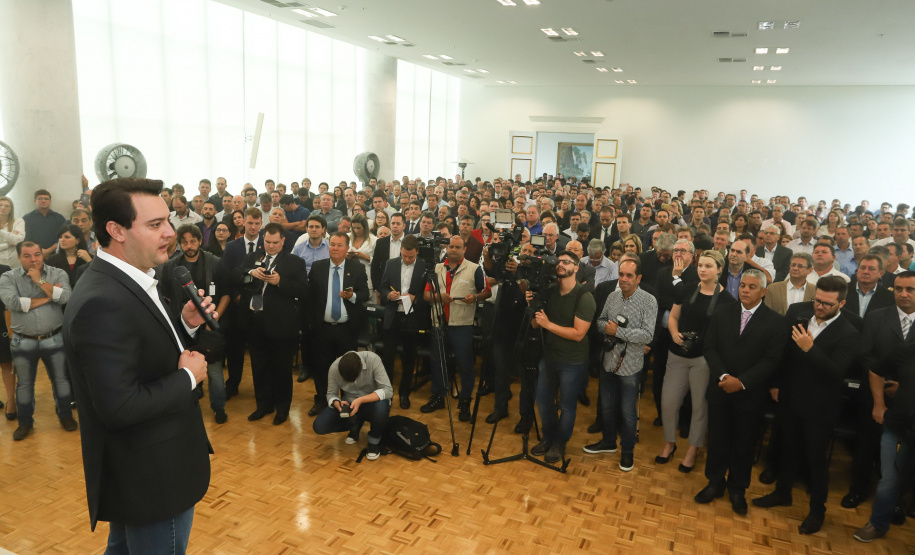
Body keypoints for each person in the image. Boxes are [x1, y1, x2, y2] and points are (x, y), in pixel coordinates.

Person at [62, 178, 215, 550]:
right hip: (151, 477)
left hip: (145, 470)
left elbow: (139, 351)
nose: (170, 233)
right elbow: (120, 406)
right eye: (154, 225)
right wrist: (187, 378)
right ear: (116, 230)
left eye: (167, 221)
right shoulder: (103, 300)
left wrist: (184, 325)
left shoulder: (128, 278)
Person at [753, 276, 861, 535]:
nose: (819, 306)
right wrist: (777, 383)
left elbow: (836, 371)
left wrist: (810, 348)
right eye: (817, 300)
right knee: (787, 450)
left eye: (827, 303)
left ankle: (817, 511)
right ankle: (782, 493)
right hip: (790, 398)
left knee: (815, 461)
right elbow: (784, 354)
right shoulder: (799, 315)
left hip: (820, 408)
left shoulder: (850, 333)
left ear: (842, 303)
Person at [695, 269, 787, 515]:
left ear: (764, 292)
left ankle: (738, 489)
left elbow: (771, 360)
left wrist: (742, 382)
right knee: (717, 440)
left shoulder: (776, 322)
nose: (745, 290)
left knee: (744, 444)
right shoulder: (723, 312)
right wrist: (724, 376)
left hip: (750, 394)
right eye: (743, 285)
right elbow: (710, 346)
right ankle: (715, 482)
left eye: (752, 287)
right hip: (721, 389)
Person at [656, 250, 735, 473]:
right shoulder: (688, 288)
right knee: (669, 403)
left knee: (700, 407)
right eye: (701, 265)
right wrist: (673, 334)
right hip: (677, 353)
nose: (702, 269)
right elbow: (673, 317)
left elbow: (724, 336)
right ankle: (669, 443)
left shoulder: (727, 301)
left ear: (719, 270)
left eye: (708, 266)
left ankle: (693, 449)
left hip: (704, 359)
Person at [853, 271, 915, 542]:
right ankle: (877, 521)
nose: (904, 294)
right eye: (899, 289)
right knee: (888, 471)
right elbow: (871, 361)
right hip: (892, 412)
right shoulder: (878, 317)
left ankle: (902, 504)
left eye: (911, 289)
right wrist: (882, 395)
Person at [585, 256, 656, 471]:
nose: (624, 279)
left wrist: (619, 332)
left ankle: (627, 452)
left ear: (639, 278)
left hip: (631, 366)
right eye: (621, 275)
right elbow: (599, 321)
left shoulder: (649, 300)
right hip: (608, 361)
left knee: (627, 412)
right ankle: (608, 442)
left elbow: (647, 335)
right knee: (606, 407)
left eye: (629, 276)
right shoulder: (612, 297)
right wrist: (606, 328)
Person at [0, 241, 74, 440]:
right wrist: (50, 296)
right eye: (27, 255)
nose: (33, 259)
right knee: (24, 385)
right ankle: (25, 423)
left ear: (43, 255)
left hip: (55, 338)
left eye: (37, 254)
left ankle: (65, 416)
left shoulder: (58, 273)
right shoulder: (8, 277)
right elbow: (14, 303)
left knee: (61, 381)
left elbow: (66, 297)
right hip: (23, 341)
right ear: (18, 257)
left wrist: (40, 281)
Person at [234, 223, 307, 425]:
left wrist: (280, 282)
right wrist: (250, 273)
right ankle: (263, 405)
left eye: (275, 242)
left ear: (283, 241)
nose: (271, 246)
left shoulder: (295, 262)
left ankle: (282, 409)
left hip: (281, 326)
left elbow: (303, 290)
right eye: (267, 241)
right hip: (255, 323)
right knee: (259, 367)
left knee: (281, 369)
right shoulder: (254, 257)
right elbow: (235, 275)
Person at [160, 225, 231, 424]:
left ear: (201, 241)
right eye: (184, 242)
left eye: (193, 241)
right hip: (182, 328)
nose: (189, 246)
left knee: (215, 372)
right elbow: (165, 297)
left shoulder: (216, 263)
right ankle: (185, 408)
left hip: (209, 327)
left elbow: (226, 294)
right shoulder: (171, 266)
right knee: (183, 369)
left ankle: (219, 408)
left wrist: (214, 318)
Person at [420, 236, 491, 421]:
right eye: (451, 246)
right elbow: (426, 295)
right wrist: (439, 297)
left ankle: (465, 401)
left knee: (465, 365)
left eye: (457, 247)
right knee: (438, 363)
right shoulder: (436, 268)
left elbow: (487, 291)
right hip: (439, 324)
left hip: (462, 325)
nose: (453, 249)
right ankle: (438, 396)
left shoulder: (475, 269)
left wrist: (475, 298)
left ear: (464, 249)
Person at [307, 232, 369, 417]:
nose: (335, 248)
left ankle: (347, 401)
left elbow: (365, 293)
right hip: (322, 328)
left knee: (347, 368)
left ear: (347, 248)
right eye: (332, 244)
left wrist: (353, 296)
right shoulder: (318, 267)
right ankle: (322, 400)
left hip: (346, 329)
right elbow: (309, 297)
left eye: (339, 245)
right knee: (321, 367)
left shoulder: (356, 268)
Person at [313, 351, 393, 461]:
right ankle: (355, 423)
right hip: (349, 405)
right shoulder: (334, 368)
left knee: (382, 408)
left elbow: (388, 390)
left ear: (361, 364)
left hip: (372, 403)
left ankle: (374, 441)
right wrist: (337, 404)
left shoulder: (373, 360)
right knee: (319, 426)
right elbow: (331, 394)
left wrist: (361, 400)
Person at [378, 235, 428, 409]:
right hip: (393, 316)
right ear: (400, 251)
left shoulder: (424, 266)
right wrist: (388, 295)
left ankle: (404, 393)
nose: (407, 259)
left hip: (412, 317)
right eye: (405, 256)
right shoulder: (391, 264)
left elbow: (428, 296)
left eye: (411, 257)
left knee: (409, 358)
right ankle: (388, 393)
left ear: (417, 253)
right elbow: (383, 287)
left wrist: (415, 298)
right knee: (388, 358)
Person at [45, 224, 92, 289]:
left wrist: (89, 261)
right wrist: (50, 286)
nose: (62, 240)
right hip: (61, 296)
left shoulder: (88, 257)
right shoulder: (52, 259)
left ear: (77, 240)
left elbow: (99, 278)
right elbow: (42, 279)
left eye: (67, 237)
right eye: (60, 237)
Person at [371, 212, 406, 298]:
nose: (395, 226)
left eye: (398, 224)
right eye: (393, 223)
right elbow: (375, 266)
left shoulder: (409, 242)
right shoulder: (381, 243)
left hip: (404, 286)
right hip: (384, 288)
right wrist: (378, 288)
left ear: (404, 226)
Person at [23, 189, 67, 258]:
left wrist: (49, 250)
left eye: (46, 199)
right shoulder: (27, 218)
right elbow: (26, 238)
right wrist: (39, 250)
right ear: (35, 201)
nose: (43, 201)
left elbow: (64, 236)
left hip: (56, 254)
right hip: (34, 255)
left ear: (50, 201)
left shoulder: (59, 218)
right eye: (40, 199)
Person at [347, 213, 376, 291]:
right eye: (354, 228)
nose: (356, 230)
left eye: (359, 228)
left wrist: (364, 256)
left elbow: (378, 262)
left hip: (367, 276)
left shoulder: (374, 240)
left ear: (365, 227)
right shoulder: (347, 237)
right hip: (349, 277)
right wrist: (347, 256)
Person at [0, 196, 26, 268]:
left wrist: (1, 232)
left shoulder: (18, 221)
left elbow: (18, 241)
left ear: (11, 209)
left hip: (15, 265)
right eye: (0, 205)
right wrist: (9, 244)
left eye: (7, 206)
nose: (3, 208)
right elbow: (14, 240)